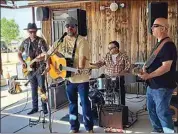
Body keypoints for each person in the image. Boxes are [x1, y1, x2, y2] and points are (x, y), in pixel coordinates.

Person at [48, 17, 93, 133]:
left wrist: (81, 66)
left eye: (72, 26)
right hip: (68, 78)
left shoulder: (82, 40)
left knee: (84, 103)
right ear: (65, 28)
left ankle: (89, 128)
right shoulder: (60, 41)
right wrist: (50, 65)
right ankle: (74, 127)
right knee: (72, 104)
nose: (70, 28)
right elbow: (49, 54)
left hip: (82, 78)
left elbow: (82, 59)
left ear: (76, 28)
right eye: (67, 26)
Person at [138, 18, 177, 133]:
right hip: (153, 85)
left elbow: (166, 67)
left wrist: (148, 76)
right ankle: (158, 130)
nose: (152, 28)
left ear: (163, 29)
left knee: (162, 112)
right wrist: (145, 67)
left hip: (162, 86)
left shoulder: (168, 45)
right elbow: (154, 60)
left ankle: (168, 132)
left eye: (155, 25)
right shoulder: (159, 44)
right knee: (152, 110)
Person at [18, 23, 48, 115]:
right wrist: (22, 62)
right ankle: (34, 107)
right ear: (28, 32)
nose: (32, 33)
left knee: (42, 88)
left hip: (40, 68)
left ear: (36, 31)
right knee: (33, 89)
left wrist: (41, 59)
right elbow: (19, 53)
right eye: (31, 32)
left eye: (34, 31)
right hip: (29, 69)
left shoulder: (41, 41)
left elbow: (46, 54)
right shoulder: (25, 42)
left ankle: (44, 107)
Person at [90, 41, 131, 105]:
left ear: (116, 48)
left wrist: (119, 74)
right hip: (108, 77)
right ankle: (104, 106)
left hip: (119, 78)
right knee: (99, 87)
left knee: (121, 92)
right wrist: (92, 65)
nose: (109, 50)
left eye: (110, 48)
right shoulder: (107, 55)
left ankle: (122, 107)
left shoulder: (124, 56)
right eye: (108, 48)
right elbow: (100, 63)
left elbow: (128, 67)